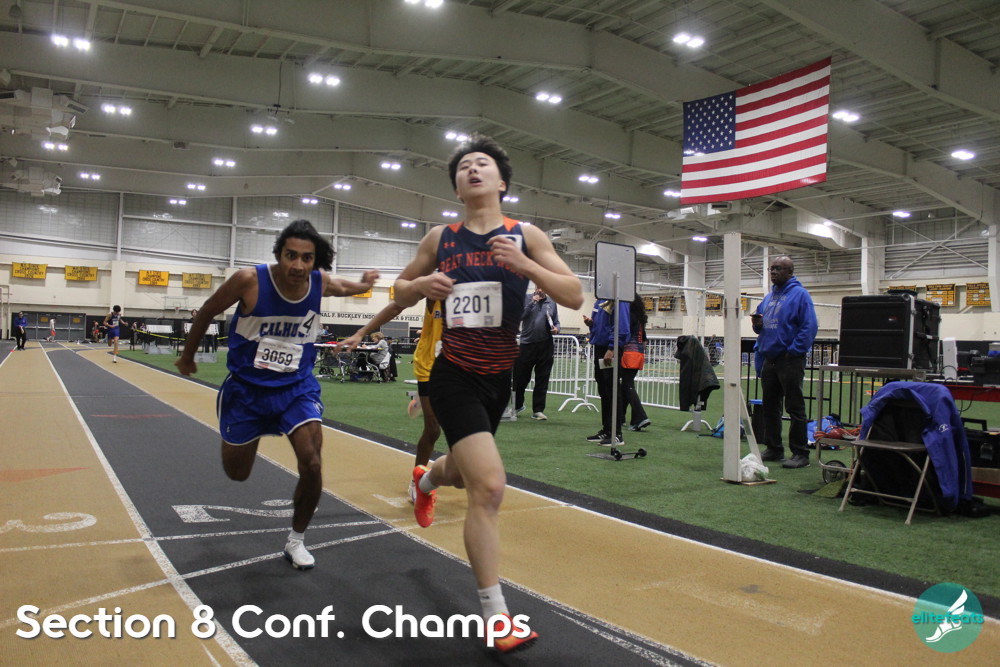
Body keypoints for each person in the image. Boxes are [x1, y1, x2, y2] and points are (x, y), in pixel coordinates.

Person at [394, 134, 583, 652]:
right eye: (464, 167)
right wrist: (421, 286)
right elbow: (399, 289)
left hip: (499, 378)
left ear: (502, 183)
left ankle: (427, 478)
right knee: (490, 487)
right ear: (458, 188)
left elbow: (573, 294)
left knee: (461, 474)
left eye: (483, 164)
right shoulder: (441, 238)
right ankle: (496, 618)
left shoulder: (526, 235)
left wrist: (527, 266)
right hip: (453, 373)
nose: (473, 170)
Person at [174, 219, 378, 570]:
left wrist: (364, 284)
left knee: (312, 462)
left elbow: (345, 286)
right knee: (237, 473)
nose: (298, 265)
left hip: (296, 388)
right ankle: (244, 431)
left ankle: (296, 540)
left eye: (306, 258)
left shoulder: (319, 282)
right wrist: (188, 355)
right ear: (279, 255)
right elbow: (207, 311)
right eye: (290, 255)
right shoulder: (249, 281)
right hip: (247, 390)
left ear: (315, 261)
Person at [341, 298, 444, 501]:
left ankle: (422, 401)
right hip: (430, 365)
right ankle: (417, 481)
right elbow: (398, 305)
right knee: (433, 430)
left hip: (460, 366)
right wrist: (362, 332)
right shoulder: (435, 291)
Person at [751, 255, 818, 469]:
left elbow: (809, 326)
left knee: (794, 407)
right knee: (770, 407)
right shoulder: (769, 298)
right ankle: (774, 448)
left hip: (789, 359)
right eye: (771, 268)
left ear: (790, 272)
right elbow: (760, 326)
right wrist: (757, 324)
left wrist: (794, 351)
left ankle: (800, 453)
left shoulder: (800, 295)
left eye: (779, 268)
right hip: (769, 358)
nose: (773, 272)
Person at [583, 297, 631, 446]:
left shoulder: (619, 299)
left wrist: (612, 348)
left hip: (609, 350)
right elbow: (603, 324)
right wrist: (591, 325)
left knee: (612, 389)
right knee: (604, 390)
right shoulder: (601, 300)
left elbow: (622, 327)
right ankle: (607, 430)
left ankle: (616, 434)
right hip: (600, 347)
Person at [511, 287, 560, 420]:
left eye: (543, 287)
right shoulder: (526, 298)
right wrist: (532, 302)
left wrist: (557, 329)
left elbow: (556, 321)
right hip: (527, 344)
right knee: (520, 377)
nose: (540, 289)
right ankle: (517, 405)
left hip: (545, 345)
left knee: (542, 379)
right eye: (538, 286)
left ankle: (538, 410)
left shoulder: (552, 302)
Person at [621, 297, 651, 432]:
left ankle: (640, 417)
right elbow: (644, 339)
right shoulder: (640, 319)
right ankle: (622, 417)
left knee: (627, 385)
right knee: (626, 385)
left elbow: (624, 334)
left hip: (628, 353)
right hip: (638, 354)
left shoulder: (629, 317)